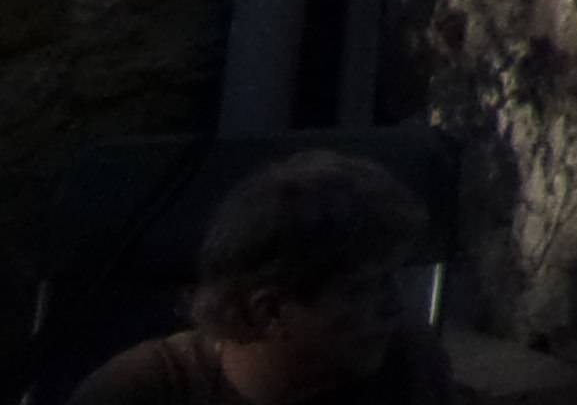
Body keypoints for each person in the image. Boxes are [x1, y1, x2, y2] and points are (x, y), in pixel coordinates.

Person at [66, 152, 452, 405]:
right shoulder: (140, 391)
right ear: (269, 311)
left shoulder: (406, 365)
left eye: (392, 279)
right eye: (361, 290)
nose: (394, 306)